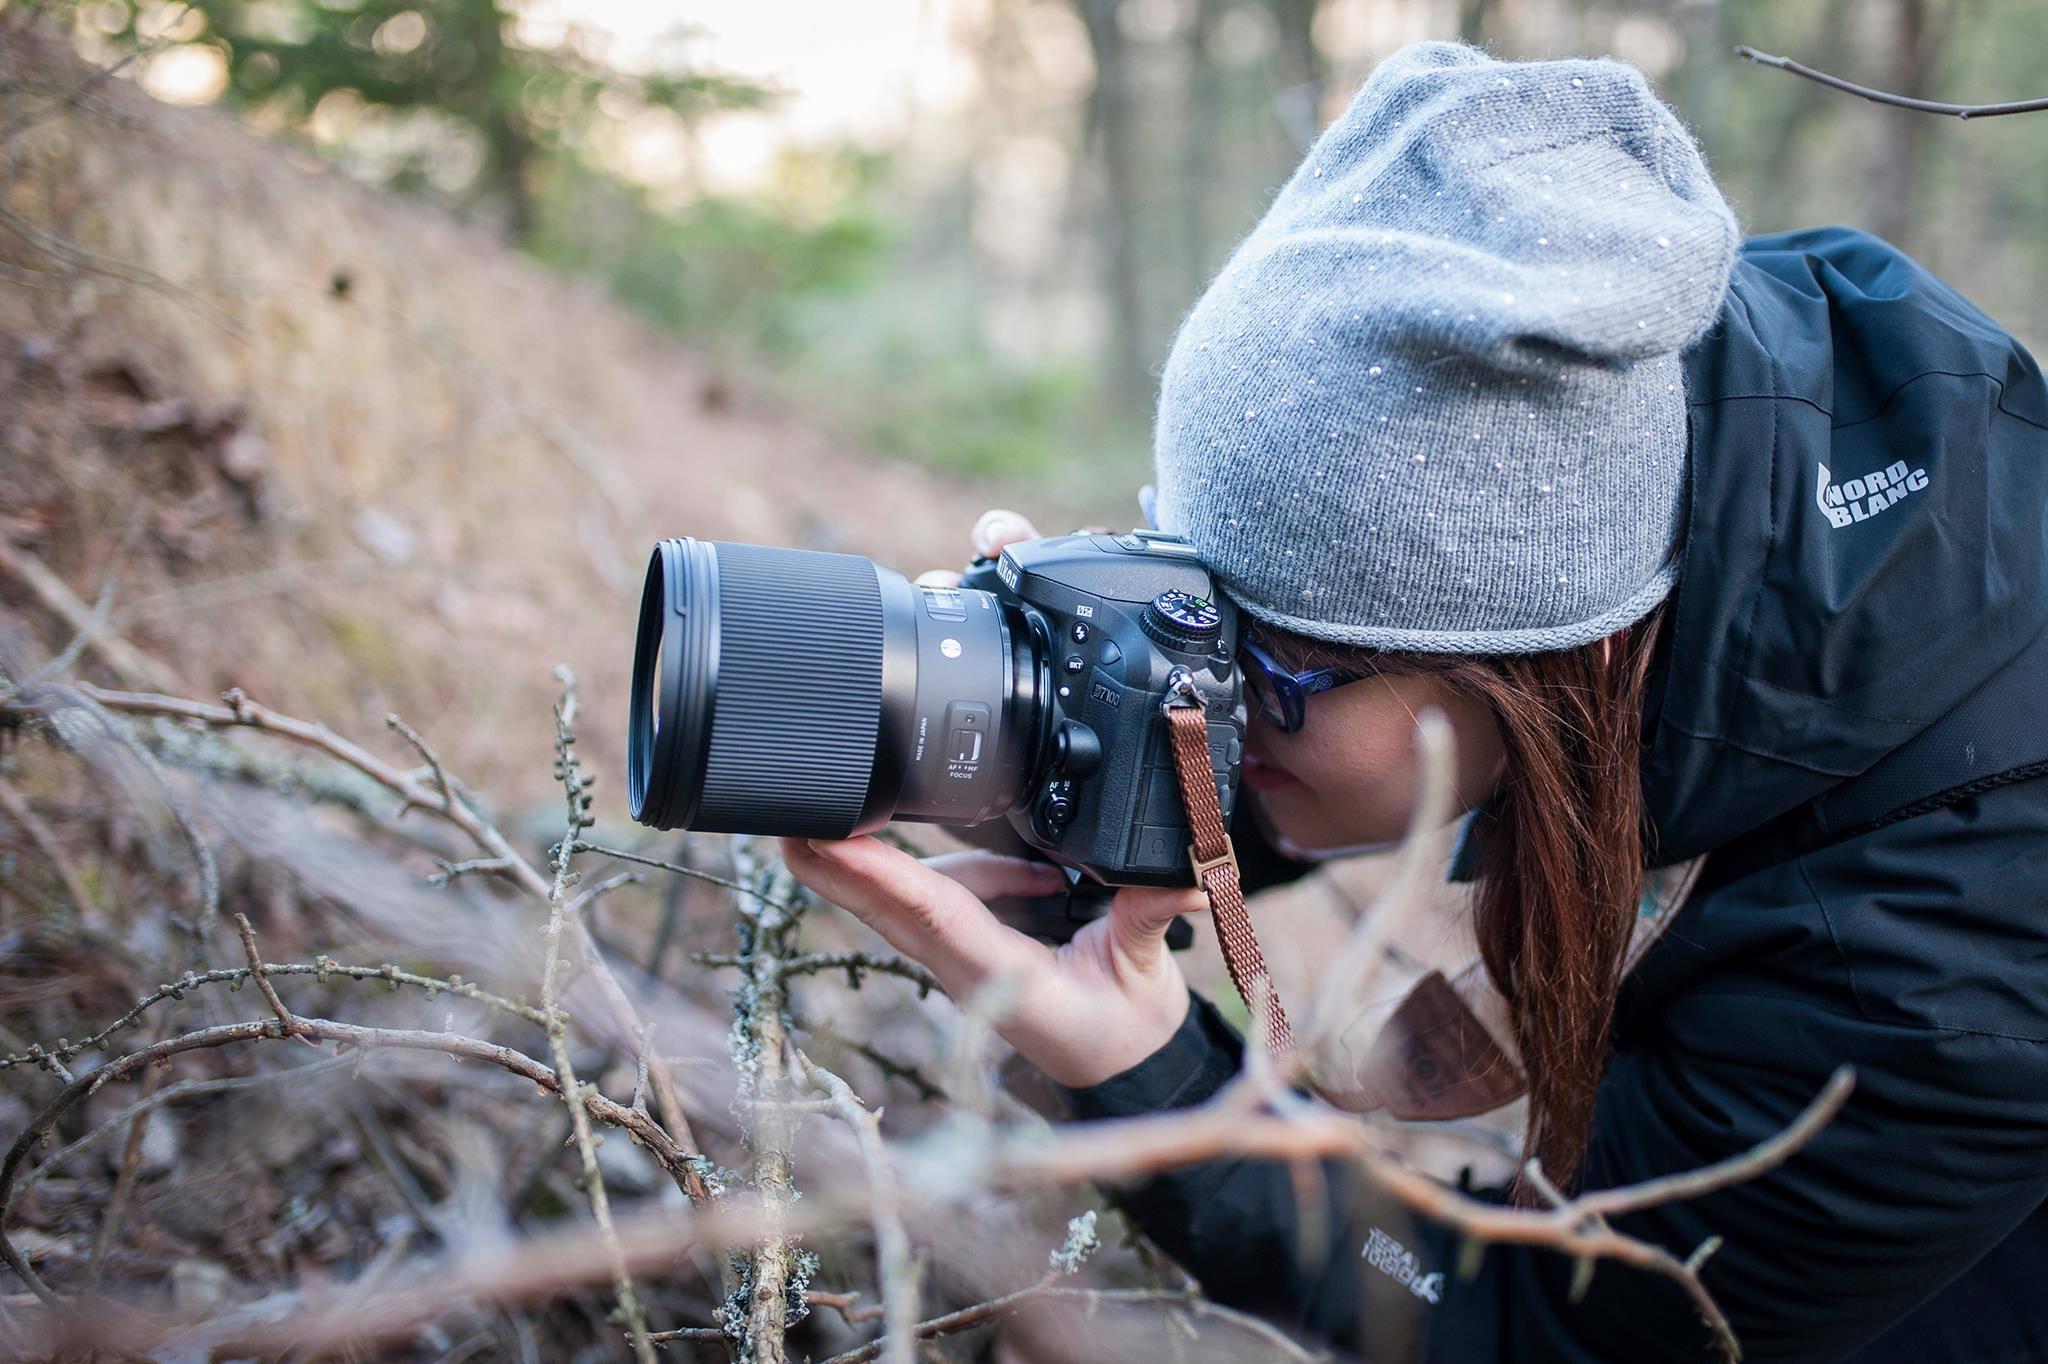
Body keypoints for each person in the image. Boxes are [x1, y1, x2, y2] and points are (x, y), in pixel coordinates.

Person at [781, 41, 2048, 1364]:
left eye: (1259, 675)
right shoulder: (1609, 367)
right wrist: (1088, 769)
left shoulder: (1932, 980)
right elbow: (1353, 663)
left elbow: (1554, 1335)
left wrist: (1155, 1084)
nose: (1214, 702)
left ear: (1550, 667)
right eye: (1187, 604)